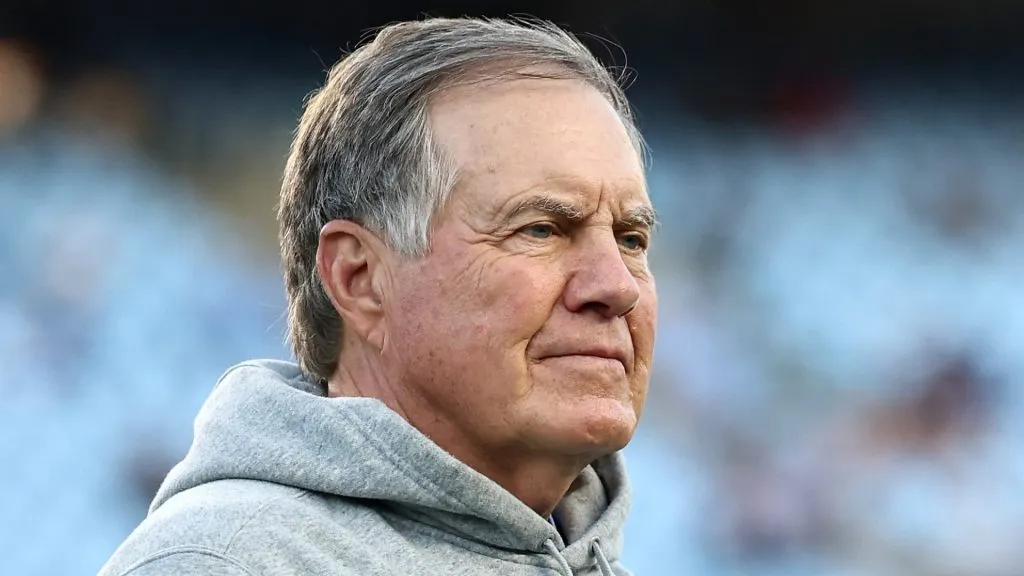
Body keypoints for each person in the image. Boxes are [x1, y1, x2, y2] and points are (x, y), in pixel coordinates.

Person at [99, 16, 658, 576]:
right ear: (360, 279)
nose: (617, 286)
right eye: (540, 230)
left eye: (631, 239)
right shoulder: (223, 564)